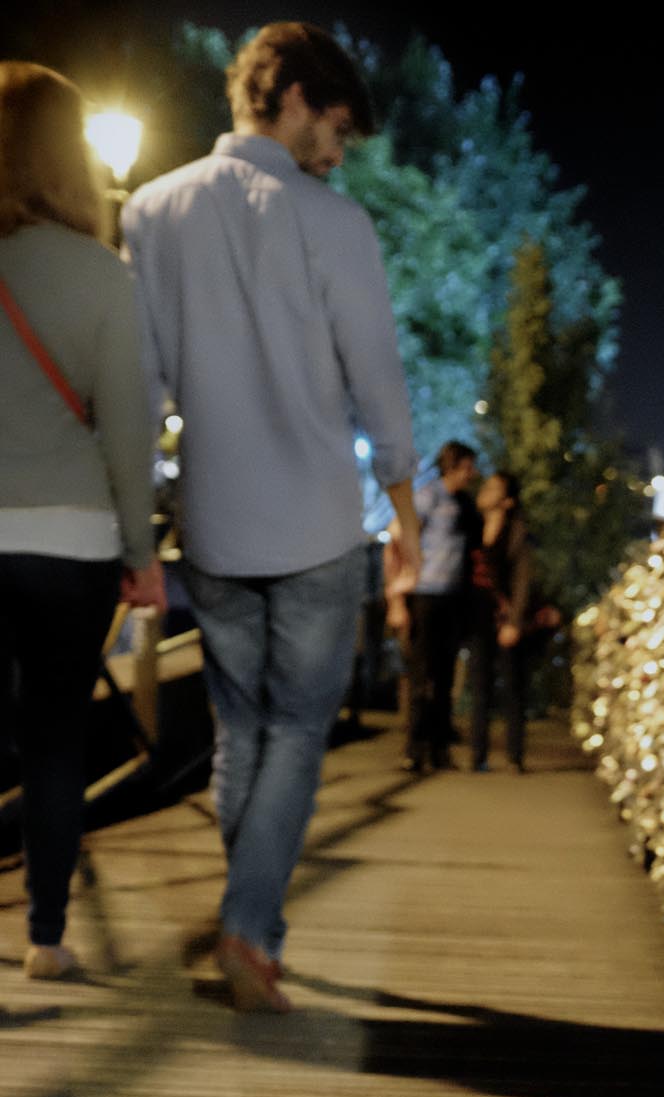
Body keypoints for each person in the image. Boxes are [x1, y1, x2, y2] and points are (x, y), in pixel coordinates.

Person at [122, 21, 420, 1013]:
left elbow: (146, 379)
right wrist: (410, 510)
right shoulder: (336, 223)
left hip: (210, 518)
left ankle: (254, 925)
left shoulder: (155, 211)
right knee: (295, 729)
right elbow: (376, 375)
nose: (338, 154)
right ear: (290, 94)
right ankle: (249, 931)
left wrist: (136, 518)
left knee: (241, 730)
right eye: (335, 127)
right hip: (317, 523)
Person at [0, 62, 164, 980]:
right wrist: (141, 556)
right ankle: (47, 935)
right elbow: (129, 436)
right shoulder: (105, 278)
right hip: (72, 546)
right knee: (55, 739)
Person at [403, 439, 479, 775]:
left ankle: (440, 749)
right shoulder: (428, 496)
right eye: (468, 467)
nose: (472, 473)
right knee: (422, 675)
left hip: (453, 597)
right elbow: (404, 536)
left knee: (447, 675)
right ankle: (414, 748)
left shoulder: (465, 503)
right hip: (425, 593)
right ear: (454, 465)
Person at [466, 469, 536, 773]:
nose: (486, 490)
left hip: (506, 615)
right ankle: (477, 755)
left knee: (512, 686)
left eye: (494, 487)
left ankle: (515, 755)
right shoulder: (472, 524)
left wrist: (516, 621)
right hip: (477, 614)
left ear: (507, 501)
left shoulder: (517, 530)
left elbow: (523, 577)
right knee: (479, 686)